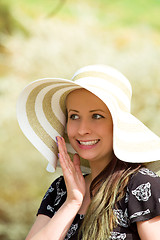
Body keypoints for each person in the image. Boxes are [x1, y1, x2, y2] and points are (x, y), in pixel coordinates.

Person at [17, 65, 160, 240]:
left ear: (118, 125)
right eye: (74, 116)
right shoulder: (60, 190)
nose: (82, 129)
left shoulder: (141, 186)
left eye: (97, 116)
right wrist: (72, 202)